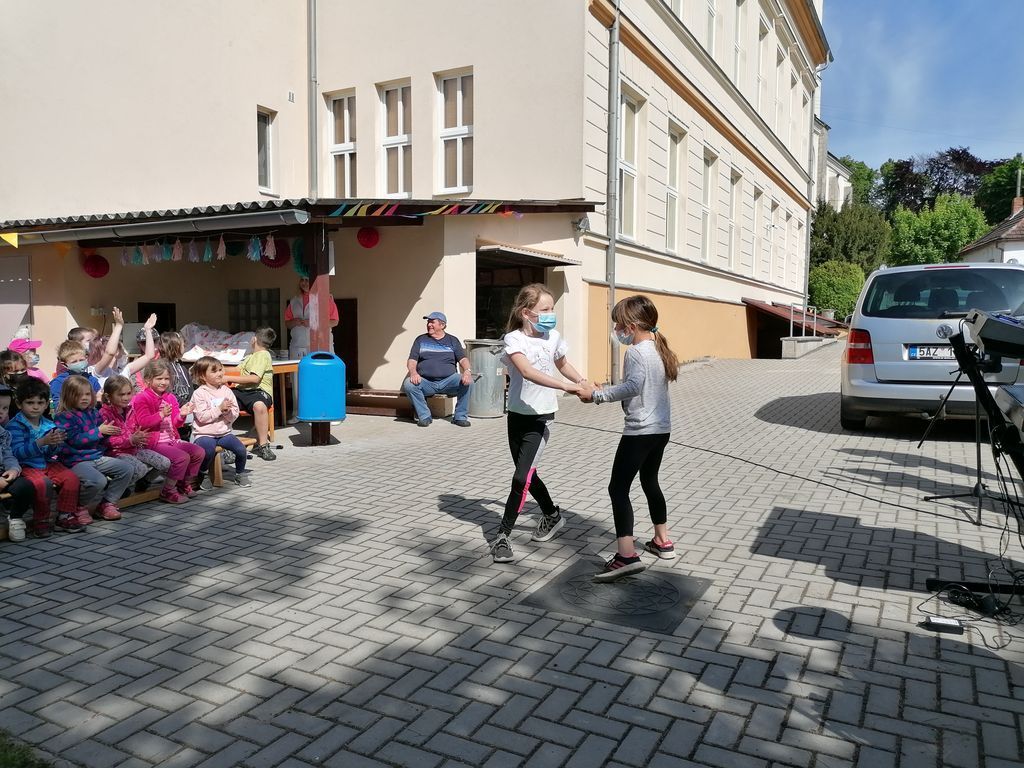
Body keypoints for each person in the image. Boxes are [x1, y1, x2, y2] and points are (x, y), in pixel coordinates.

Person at [578, 295, 680, 582]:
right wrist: (606, 388)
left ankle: (626, 556)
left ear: (632, 326)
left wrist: (597, 395)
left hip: (640, 431)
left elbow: (634, 386)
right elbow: (640, 386)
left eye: (619, 325)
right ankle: (662, 541)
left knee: (618, 489)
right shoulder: (658, 348)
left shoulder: (635, 352)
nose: (617, 331)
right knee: (650, 481)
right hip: (661, 430)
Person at [490, 284, 585, 564]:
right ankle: (552, 515)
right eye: (545, 309)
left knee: (521, 478)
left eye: (552, 308)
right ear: (526, 312)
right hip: (517, 416)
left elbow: (563, 364)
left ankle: (502, 536)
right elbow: (526, 371)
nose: (551, 314)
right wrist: (566, 387)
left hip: (541, 418)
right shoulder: (514, 339)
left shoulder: (553, 337)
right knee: (527, 475)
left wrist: (581, 382)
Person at [53, 375, 135, 522]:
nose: (84, 398)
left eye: (87, 394)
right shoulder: (64, 417)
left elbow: (102, 435)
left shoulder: (93, 413)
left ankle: (107, 503)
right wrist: (99, 432)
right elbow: (74, 440)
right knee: (98, 480)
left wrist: (111, 433)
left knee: (126, 469)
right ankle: (79, 507)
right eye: (79, 395)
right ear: (68, 396)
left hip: (96, 456)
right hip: (75, 460)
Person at [7, 377, 84, 534]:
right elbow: (17, 453)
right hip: (26, 466)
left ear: (46, 404)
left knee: (71, 478)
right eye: (30, 402)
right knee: (43, 484)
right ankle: (40, 520)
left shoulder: (49, 424)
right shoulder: (15, 425)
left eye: (40, 403)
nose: (36, 407)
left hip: (47, 463)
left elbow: (51, 453)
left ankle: (64, 516)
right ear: (19, 404)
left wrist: (55, 444)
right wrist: (41, 442)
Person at [130, 360, 205, 504]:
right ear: (148, 380)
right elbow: (143, 422)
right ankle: (168, 491)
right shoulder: (142, 398)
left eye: (166, 378)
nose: (163, 382)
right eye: (159, 378)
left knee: (198, 452)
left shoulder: (170, 397)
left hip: (171, 439)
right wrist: (161, 415)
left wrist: (182, 414)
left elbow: (176, 423)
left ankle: (183, 483)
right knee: (181, 457)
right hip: (153, 442)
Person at [100, 375, 171, 492]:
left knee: (164, 463)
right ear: (108, 396)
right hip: (116, 453)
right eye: (121, 394)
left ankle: (144, 482)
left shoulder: (130, 410)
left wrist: (140, 436)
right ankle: (116, 488)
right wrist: (130, 440)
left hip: (134, 450)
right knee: (140, 469)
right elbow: (105, 441)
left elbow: (136, 428)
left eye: (128, 393)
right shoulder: (104, 414)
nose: (126, 398)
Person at [402, 312, 473, 428]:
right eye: (428, 322)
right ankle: (424, 416)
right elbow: (412, 360)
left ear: (442, 325)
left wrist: (467, 371)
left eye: (432, 322)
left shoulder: (452, 340)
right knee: (409, 384)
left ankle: (460, 417)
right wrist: (413, 372)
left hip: (449, 381)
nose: (429, 324)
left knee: (469, 382)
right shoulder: (421, 340)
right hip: (427, 382)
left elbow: (463, 359)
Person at [189, 356, 251, 488]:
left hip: (224, 433)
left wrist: (227, 412)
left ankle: (240, 474)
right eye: (214, 371)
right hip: (204, 433)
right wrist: (219, 409)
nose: (219, 373)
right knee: (208, 451)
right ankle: (203, 473)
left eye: (220, 370)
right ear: (203, 376)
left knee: (241, 449)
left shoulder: (226, 391)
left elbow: (235, 414)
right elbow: (202, 417)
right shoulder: (199, 393)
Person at [285, 277, 339, 424]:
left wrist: (314, 322)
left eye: (308, 280)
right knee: (297, 379)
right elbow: (287, 323)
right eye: (302, 280)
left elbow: (334, 321)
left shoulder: (326, 299)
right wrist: (295, 322)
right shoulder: (294, 301)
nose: (304, 283)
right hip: (298, 345)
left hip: (320, 345)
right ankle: (298, 413)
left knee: (323, 378)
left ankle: (328, 413)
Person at [222, 327, 277, 461]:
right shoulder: (250, 357)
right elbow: (236, 370)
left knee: (259, 406)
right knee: (222, 404)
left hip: (259, 392)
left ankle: (263, 445)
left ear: (254, 340)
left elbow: (254, 379)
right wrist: (217, 368)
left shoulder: (263, 355)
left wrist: (227, 378)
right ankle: (225, 445)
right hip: (242, 391)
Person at [0, 386, 36, 543]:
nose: (1, 412)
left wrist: (13, 469)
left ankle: (15, 518)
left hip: (3, 474)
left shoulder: (3, 433)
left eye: (5, 408)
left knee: (26, 486)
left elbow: (8, 454)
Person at [89, 309, 158, 388]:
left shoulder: (124, 372)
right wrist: (118, 326)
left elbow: (149, 356)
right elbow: (109, 353)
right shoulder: (98, 371)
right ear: (116, 351)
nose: (124, 350)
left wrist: (148, 329)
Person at [49, 341, 100, 410]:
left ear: (86, 357)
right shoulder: (59, 382)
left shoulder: (92, 380)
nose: (79, 363)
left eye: (81, 360)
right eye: (74, 362)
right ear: (64, 364)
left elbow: (99, 401)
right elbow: (57, 406)